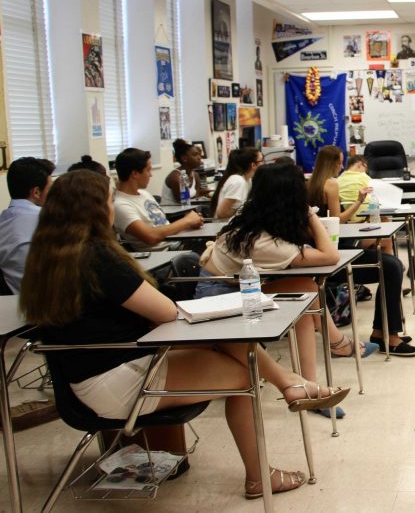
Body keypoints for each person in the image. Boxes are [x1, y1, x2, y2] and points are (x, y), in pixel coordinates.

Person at [20, 170, 348, 499]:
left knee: (224, 338)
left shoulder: (45, 260)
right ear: (95, 211)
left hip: (89, 378)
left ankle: (290, 384)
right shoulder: (98, 259)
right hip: (116, 381)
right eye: (108, 202)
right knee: (243, 374)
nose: (112, 210)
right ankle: (262, 467)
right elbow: (165, 313)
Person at [197, 163, 377, 419]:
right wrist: (310, 215)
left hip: (233, 286)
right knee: (306, 291)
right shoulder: (263, 241)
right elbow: (330, 255)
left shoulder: (253, 218)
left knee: (305, 293)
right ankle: (334, 350)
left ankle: (313, 381)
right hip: (217, 298)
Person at [308, 148, 415, 356]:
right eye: (339, 162)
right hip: (334, 252)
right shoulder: (331, 184)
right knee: (392, 266)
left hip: (323, 247)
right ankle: (388, 336)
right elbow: (337, 220)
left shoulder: (310, 184)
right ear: (332, 162)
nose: (341, 167)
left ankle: (383, 332)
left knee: (390, 264)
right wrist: (359, 202)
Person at [113, 148, 203, 252]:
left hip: (177, 243)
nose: (150, 175)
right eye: (148, 170)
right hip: (166, 253)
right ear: (135, 174)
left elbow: (165, 228)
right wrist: (187, 221)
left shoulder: (144, 194)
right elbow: (151, 237)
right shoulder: (121, 205)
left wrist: (190, 224)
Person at [0, 157, 55, 293]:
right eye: (50, 189)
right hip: (48, 304)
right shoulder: (48, 223)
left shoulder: (3, 220)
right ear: (36, 192)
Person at [210, 147, 262, 219]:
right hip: (224, 225)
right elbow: (221, 214)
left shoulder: (248, 180)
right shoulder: (238, 181)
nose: (264, 163)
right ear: (253, 165)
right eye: (261, 161)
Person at [162, 139, 210, 205]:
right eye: (195, 155)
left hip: (189, 210)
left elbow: (197, 197)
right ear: (184, 158)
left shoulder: (195, 175)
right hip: (175, 213)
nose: (199, 157)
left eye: (199, 154)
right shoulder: (176, 177)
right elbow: (184, 203)